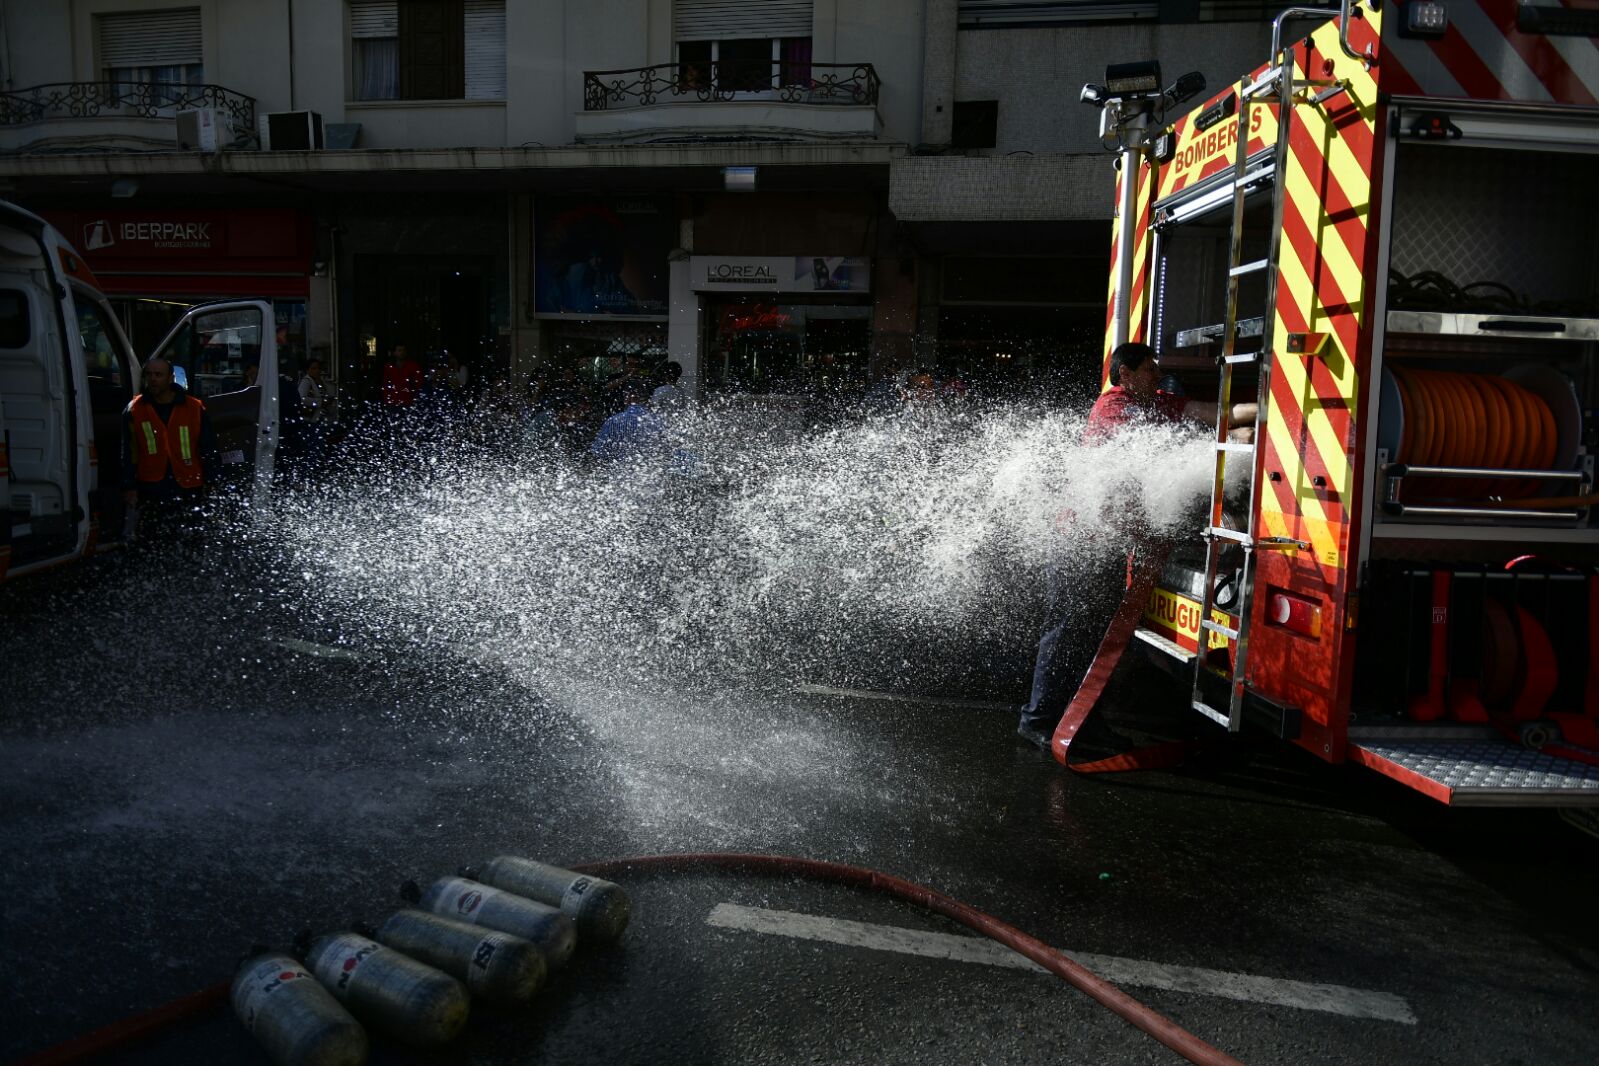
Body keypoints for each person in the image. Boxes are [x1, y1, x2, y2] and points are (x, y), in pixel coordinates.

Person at [1016, 341, 1257, 750]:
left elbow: (1214, 413)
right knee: (1065, 633)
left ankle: (1085, 720)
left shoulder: (1157, 401)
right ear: (1125, 373)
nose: (1157, 375)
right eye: (1150, 369)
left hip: (1107, 544)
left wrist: (1268, 412)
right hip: (1080, 542)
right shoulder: (1113, 407)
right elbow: (1150, 454)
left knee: (1097, 637)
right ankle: (1037, 720)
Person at [120, 356, 218, 543]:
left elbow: (208, 447)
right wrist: (128, 485)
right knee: (153, 541)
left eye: (158, 375)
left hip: (188, 485)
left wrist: (212, 481)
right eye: (149, 375)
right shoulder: (135, 409)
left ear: (171, 378)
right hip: (151, 486)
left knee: (192, 541)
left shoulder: (194, 407)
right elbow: (128, 451)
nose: (153, 379)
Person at [379, 343, 422, 410]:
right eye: (399, 350)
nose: (402, 352)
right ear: (394, 353)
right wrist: (387, 400)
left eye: (404, 350)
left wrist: (414, 399)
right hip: (393, 402)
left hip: (408, 402)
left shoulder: (413, 366)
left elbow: (418, 383)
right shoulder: (388, 367)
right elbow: (385, 384)